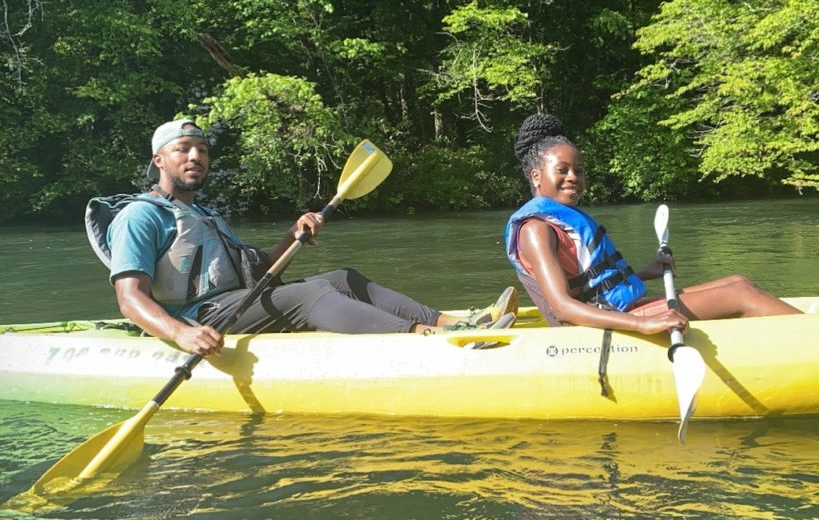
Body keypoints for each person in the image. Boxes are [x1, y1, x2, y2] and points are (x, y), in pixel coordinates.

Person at [89, 119, 517, 357]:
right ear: (159, 159)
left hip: (233, 306)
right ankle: (426, 339)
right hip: (195, 319)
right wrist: (180, 334)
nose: (195, 156)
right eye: (183, 149)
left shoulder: (203, 213)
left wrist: (291, 236)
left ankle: (456, 322)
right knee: (309, 294)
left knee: (341, 278)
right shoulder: (140, 216)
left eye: (201, 149)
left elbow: (259, 275)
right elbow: (129, 300)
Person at [504, 113, 801, 334]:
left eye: (579, 171)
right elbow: (563, 308)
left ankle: (808, 331)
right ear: (536, 176)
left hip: (622, 310)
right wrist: (642, 324)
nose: (573, 177)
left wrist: (646, 273)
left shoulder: (558, 220)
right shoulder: (535, 229)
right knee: (741, 296)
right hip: (600, 329)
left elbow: (594, 283)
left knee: (738, 282)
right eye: (563, 170)